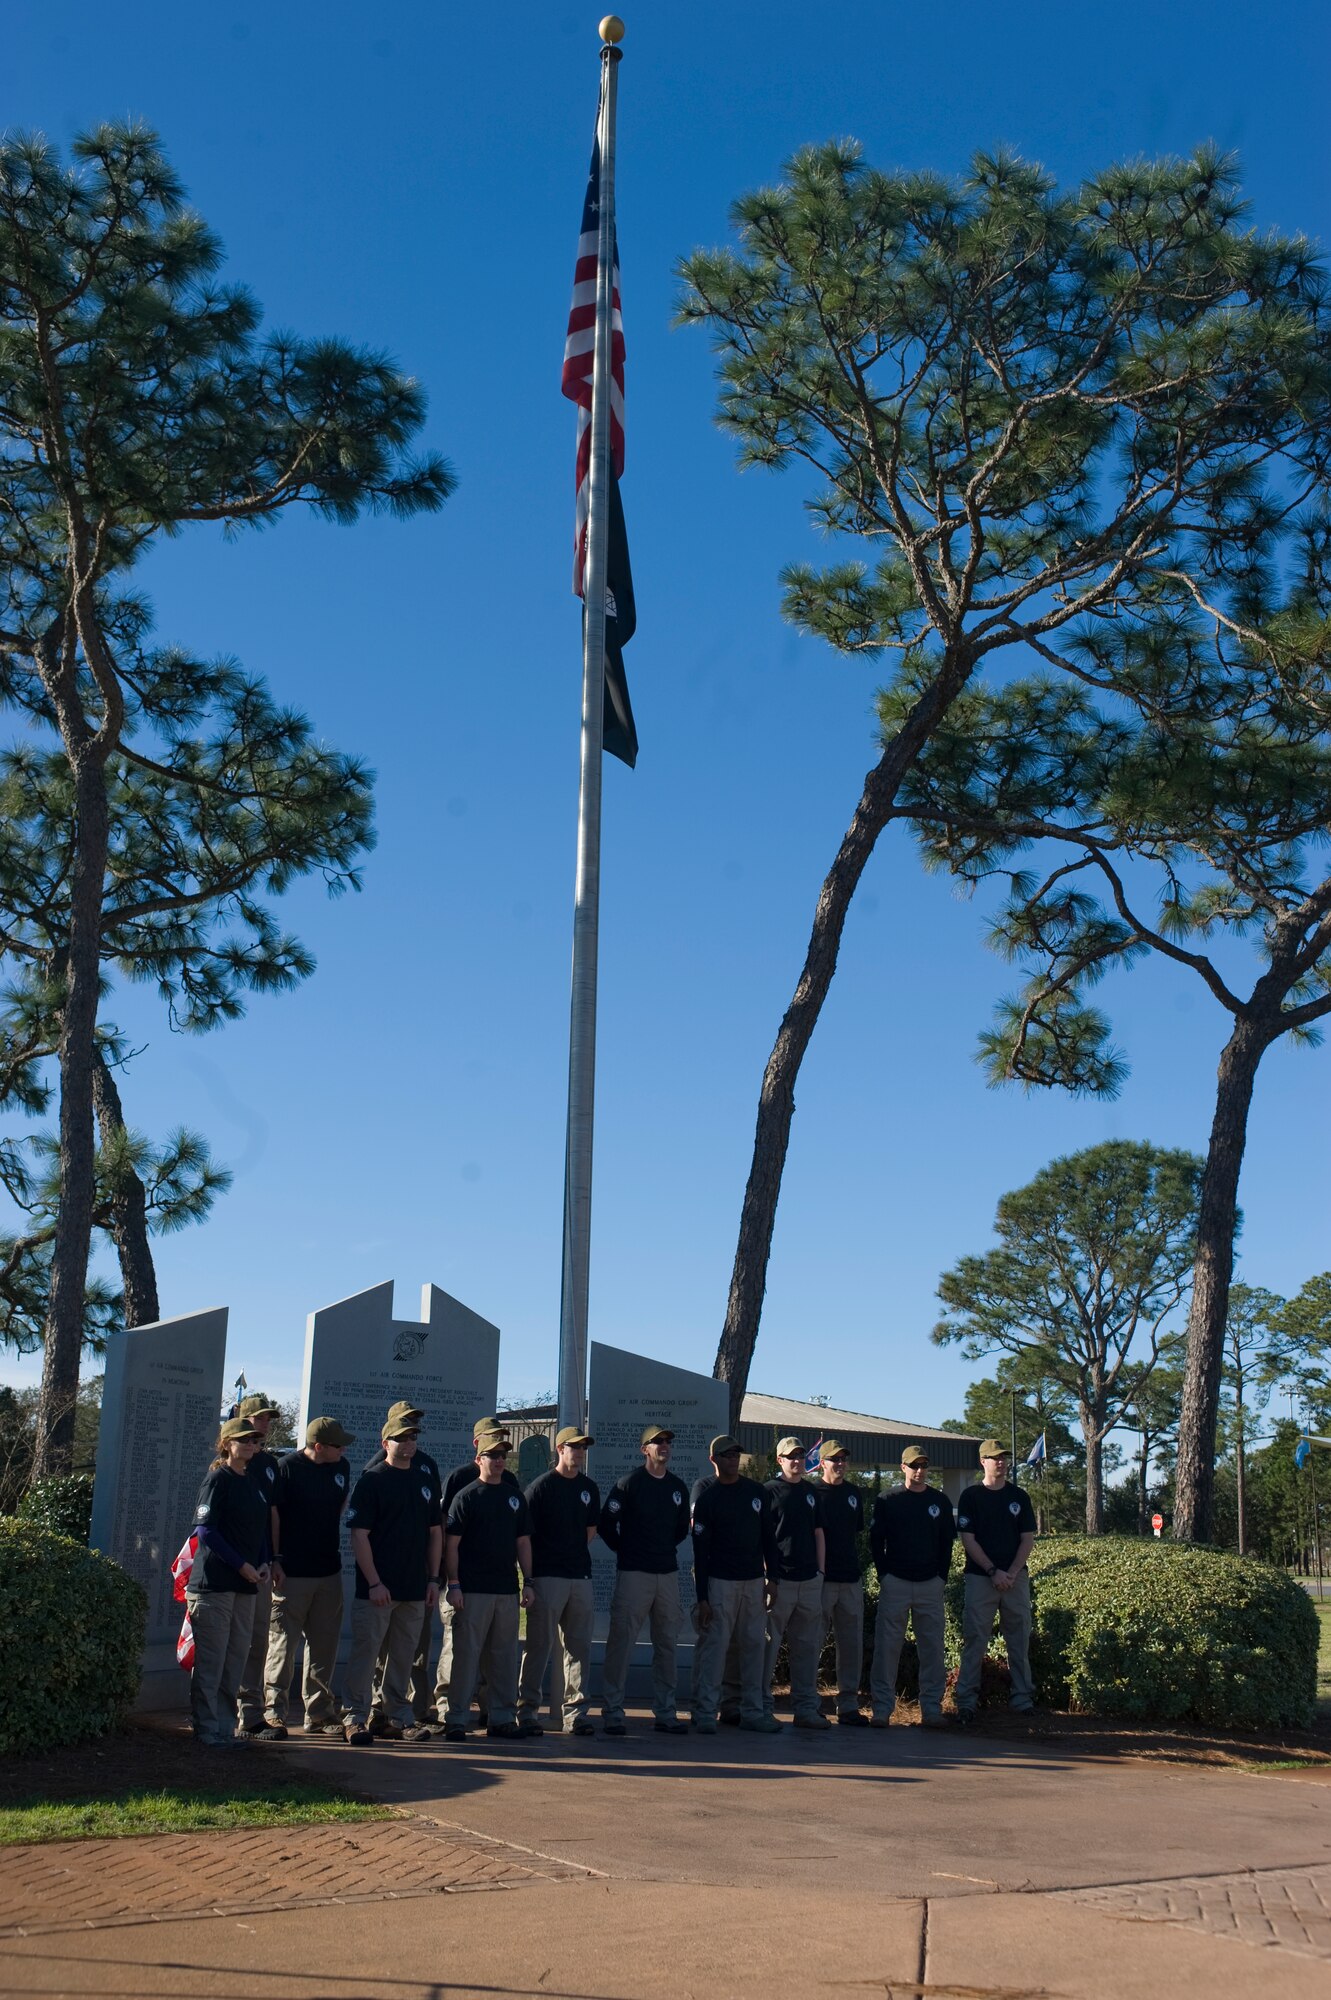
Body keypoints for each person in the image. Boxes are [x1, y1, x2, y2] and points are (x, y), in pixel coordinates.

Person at [341, 1415, 442, 1744]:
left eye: (413, 1437)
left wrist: (433, 1579)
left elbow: (434, 1533)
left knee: (403, 1657)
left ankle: (398, 1717)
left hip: (413, 1587)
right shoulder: (372, 1481)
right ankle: (355, 1717)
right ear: (386, 1443)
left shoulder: (423, 1481)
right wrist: (373, 1582)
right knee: (366, 1654)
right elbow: (359, 1536)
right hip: (377, 1589)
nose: (409, 1443)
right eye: (402, 1438)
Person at [257, 1416, 355, 1739]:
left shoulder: (341, 1468)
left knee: (324, 1645)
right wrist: (277, 1560)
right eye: (337, 1445)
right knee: (283, 1643)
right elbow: (274, 1515)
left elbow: (339, 1507)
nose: (343, 1449)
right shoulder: (287, 1468)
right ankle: (274, 1712)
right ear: (318, 1446)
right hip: (292, 1572)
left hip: (329, 1571)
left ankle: (319, 1713)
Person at [599, 1423, 691, 1736]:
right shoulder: (629, 1484)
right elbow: (606, 1525)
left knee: (667, 1645)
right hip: (634, 1575)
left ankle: (666, 1712)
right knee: (622, 1643)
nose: (664, 1446)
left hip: (666, 1575)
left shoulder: (677, 1487)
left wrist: (660, 1550)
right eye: (657, 1442)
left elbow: (680, 1531)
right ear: (645, 1449)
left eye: (667, 1441)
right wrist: (627, 1550)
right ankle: (613, 1711)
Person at [443, 1436, 537, 1740]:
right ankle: (456, 1718)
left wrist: (528, 1582)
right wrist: (454, 1584)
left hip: (507, 1589)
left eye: (502, 1455)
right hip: (472, 1590)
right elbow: (451, 1545)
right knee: (467, 1656)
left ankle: (502, 1718)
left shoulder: (514, 1497)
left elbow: (523, 1542)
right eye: (492, 1455)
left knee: (505, 1656)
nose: (498, 1460)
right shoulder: (467, 1497)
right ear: (478, 1460)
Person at [186, 1417, 271, 1748]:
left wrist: (262, 1562)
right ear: (226, 1444)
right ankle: (206, 1728)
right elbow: (205, 1531)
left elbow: (260, 1529)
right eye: (243, 1439)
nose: (250, 1444)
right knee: (212, 1661)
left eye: (254, 1440)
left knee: (235, 1658)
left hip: (246, 1585)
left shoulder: (253, 1481)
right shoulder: (217, 1479)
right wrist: (242, 1565)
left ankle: (225, 1727)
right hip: (215, 1586)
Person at [690, 1435, 781, 1735]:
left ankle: (753, 1712)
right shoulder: (707, 1498)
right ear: (714, 1459)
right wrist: (702, 1596)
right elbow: (700, 1553)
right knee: (715, 1649)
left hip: (753, 1582)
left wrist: (773, 1579)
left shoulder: (756, 1492)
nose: (733, 1459)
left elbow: (769, 1538)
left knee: (755, 1647)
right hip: (720, 1583)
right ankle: (705, 1712)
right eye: (727, 1455)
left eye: (736, 1454)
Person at [435, 1417, 519, 1724]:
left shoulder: (509, 1483)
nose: (498, 1456)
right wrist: (450, 1579)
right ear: (477, 1445)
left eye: (502, 1447)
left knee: (496, 1652)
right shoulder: (459, 1481)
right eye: (492, 1443)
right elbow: (446, 1531)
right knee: (457, 1649)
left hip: (500, 1584)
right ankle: (449, 1708)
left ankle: (490, 1710)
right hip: (462, 1583)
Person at [518, 1425, 599, 1737]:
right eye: (574, 1447)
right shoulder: (540, 1488)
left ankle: (575, 1714)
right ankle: (526, 1711)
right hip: (547, 1576)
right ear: (560, 1449)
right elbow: (525, 1536)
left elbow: (590, 1530)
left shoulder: (588, 1488)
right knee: (539, 1645)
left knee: (578, 1647)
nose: (579, 1452)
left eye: (583, 1448)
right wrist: (531, 1578)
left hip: (580, 1576)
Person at [869, 1445, 956, 1729]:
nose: (919, 1470)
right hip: (896, 1583)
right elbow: (875, 1541)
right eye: (913, 1465)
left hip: (930, 1584)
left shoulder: (939, 1501)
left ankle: (931, 1709)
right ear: (903, 1468)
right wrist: (885, 1575)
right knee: (887, 1648)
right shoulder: (887, 1499)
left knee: (932, 1648)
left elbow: (946, 1544)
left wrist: (940, 1577)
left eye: (923, 1465)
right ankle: (882, 1710)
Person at [954, 1440, 1038, 1721]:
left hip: (1016, 1580)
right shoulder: (971, 1496)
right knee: (975, 1639)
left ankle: (1022, 1699)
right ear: (983, 1462)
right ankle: (966, 1701)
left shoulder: (1019, 1496)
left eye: (1004, 1458)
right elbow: (968, 1539)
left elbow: (1027, 1539)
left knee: (1019, 1640)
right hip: (981, 1579)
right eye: (994, 1458)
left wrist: (1012, 1572)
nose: (1001, 1462)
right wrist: (993, 1571)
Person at [763, 1436, 829, 1730]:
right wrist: (768, 1576)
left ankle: (805, 1709)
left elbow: (818, 1533)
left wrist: (821, 1572)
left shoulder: (811, 1492)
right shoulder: (768, 1492)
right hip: (780, 1582)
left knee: (807, 1649)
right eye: (791, 1456)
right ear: (780, 1460)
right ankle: (763, 1707)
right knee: (768, 1648)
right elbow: (762, 1539)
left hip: (809, 1581)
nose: (797, 1460)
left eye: (801, 1455)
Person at [233, 1392, 284, 1736]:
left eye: (267, 1420)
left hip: (261, 1565)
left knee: (257, 1640)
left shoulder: (268, 1464)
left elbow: (273, 1514)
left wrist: (274, 1558)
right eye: (259, 1418)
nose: (264, 1426)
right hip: (230, 1566)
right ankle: (223, 1712)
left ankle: (250, 1713)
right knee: (230, 1641)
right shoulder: (226, 1466)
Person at [815, 1439, 868, 1725]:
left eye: (843, 1459)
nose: (840, 1464)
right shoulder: (813, 1493)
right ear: (822, 1463)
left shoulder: (853, 1494)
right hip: (821, 1580)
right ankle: (809, 1702)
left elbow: (855, 1533)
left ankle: (847, 1705)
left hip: (850, 1579)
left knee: (850, 1644)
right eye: (834, 1460)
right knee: (812, 1642)